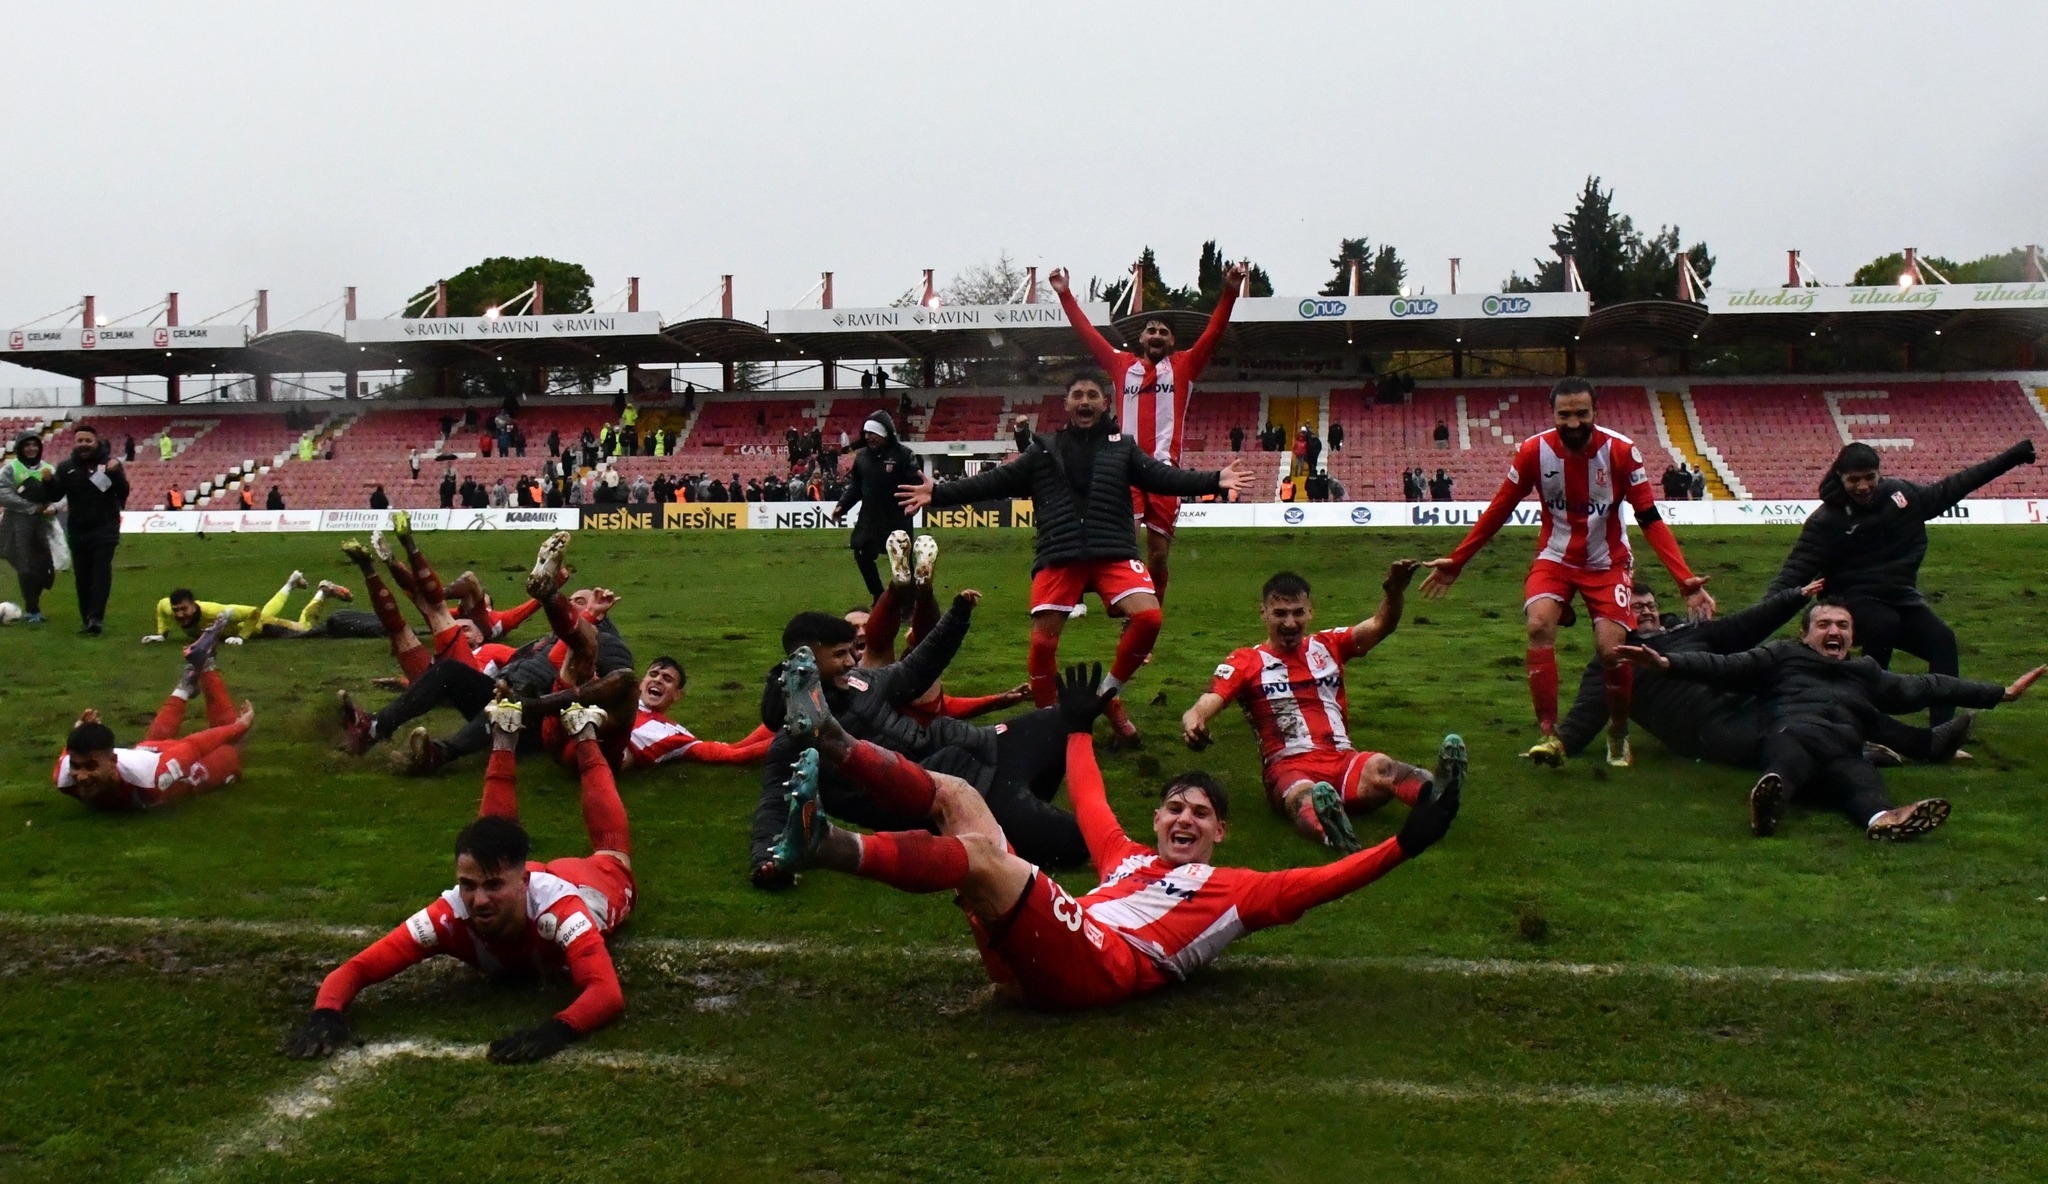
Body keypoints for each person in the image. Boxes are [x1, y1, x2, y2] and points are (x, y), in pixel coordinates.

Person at [765, 661, 1463, 1009]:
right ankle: (830, 736)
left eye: (1198, 814)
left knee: (984, 860)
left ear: (1221, 830)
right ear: (1158, 821)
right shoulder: (1126, 856)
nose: (1184, 819)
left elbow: (1320, 884)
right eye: (1174, 809)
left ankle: (825, 845)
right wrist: (1075, 725)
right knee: (960, 796)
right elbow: (1093, 799)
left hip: (1101, 967)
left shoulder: (1233, 890)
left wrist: (1404, 845)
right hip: (1045, 948)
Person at [898, 374, 1246, 744]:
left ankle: (1105, 697)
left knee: (1148, 616)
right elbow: (993, 482)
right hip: (1059, 553)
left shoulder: (1122, 447)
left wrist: (1213, 480)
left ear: (1104, 404)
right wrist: (939, 493)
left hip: (1113, 551)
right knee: (1043, 645)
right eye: (1077, 394)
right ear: (1065, 405)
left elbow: (1163, 477)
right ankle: (1053, 724)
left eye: (1092, 395)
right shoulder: (1042, 450)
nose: (1085, 401)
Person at [285, 699, 636, 1064]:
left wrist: (559, 1028)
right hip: (519, 879)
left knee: (613, 856)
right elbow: (355, 969)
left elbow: (606, 993)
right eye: (468, 885)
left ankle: (584, 734)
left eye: (492, 887)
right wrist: (325, 1013)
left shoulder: (561, 911)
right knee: (490, 847)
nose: (478, 900)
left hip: (582, 883)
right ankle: (503, 736)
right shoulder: (449, 914)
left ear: (523, 882)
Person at [1420, 377, 1715, 769]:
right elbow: (1499, 508)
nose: (1574, 423)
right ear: (1552, 414)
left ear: (1595, 412)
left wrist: (1684, 579)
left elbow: (1649, 518)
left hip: (1608, 564)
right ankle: (1549, 734)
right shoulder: (1532, 452)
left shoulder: (1623, 453)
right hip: (1554, 558)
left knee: (1612, 652)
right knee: (1538, 626)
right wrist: (1458, 559)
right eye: (1565, 415)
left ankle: (1619, 730)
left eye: (1582, 414)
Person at [1619, 598, 2042, 840]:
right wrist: (1668, 663)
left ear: (1852, 637)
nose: (1833, 630)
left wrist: (1998, 694)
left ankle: (1883, 821)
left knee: (1859, 780)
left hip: (1846, 744)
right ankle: (1768, 806)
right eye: (1823, 624)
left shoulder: (1867, 673)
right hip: (1791, 731)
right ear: (1806, 634)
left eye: (1842, 625)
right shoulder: (1781, 656)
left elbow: (1925, 686)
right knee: (1786, 760)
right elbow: (1722, 667)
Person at [751, 609, 1088, 885]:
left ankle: (1026, 806)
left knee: (1065, 719)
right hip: (965, 798)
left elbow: (915, 670)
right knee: (1078, 842)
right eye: (839, 655)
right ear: (804, 661)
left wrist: (957, 617)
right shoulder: (793, 743)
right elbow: (774, 808)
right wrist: (768, 860)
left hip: (984, 746)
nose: (852, 661)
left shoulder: (860, 682)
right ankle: (1016, 823)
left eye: (851, 652)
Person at [1765, 439, 2035, 726]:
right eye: (1853, 480)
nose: (1863, 486)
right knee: (1883, 624)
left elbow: (1956, 485)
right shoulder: (1826, 521)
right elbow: (1793, 572)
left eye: (1870, 477)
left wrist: (2012, 456)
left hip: (1900, 596)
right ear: (1839, 478)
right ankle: (1865, 718)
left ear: (1879, 473)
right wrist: (1753, 621)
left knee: (1942, 640)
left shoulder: (1903, 496)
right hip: (1850, 600)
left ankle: (1943, 730)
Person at [1182, 565, 1449, 851]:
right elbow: (1207, 702)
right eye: (1280, 614)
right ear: (1263, 613)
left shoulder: (1327, 644)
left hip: (1343, 760)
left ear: (1310, 611)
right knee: (1306, 796)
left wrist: (1393, 591)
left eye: (1298, 612)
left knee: (1381, 766)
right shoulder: (1246, 660)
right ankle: (1331, 832)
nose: (1290, 623)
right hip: (1288, 767)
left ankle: (1440, 794)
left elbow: (1381, 624)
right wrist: (1195, 720)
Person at [1050, 260, 1248, 606]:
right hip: (1124, 469)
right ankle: (1123, 605)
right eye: (1151, 330)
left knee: (1158, 556)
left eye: (1163, 332)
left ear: (1172, 340)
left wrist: (1230, 290)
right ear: (1140, 338)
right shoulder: (1122, 365)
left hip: (1165, 474)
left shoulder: (1185, 366)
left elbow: (1213, 333)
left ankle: (1149, 613)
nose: (1156, 336)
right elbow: (1088, 334)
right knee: (1123, 546)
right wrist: (1065, 294)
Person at [57, 615, 253, 810]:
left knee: (233, 750)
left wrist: (239, 727)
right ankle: (189, 678)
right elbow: (68, 753)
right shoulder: (64, 777)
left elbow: (195, 746)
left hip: (161, 763)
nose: (81, 776)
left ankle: (205, 666)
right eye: (76, 766)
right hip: (146, 754)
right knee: (149, 747)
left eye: (91, 766)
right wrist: (81, 730)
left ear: (112, 761)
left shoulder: (154, 779)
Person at [21, 423, 127, 635]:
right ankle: (86, 617)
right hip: (78, 530)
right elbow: (56, 495)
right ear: (75, 443)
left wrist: (116, 475)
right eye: (80, 441)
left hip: (105, 528)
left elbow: (122, 492)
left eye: (88, 441)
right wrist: (49, 483)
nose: (84, 445)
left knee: (100, 575)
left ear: (96, 442)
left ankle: (96, 619)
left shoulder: (109, 464)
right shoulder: (66, 467)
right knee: (82, 577)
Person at [831, 410, 923, 600]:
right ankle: (878, 596)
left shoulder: (904, 455)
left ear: (885, 433)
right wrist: (843, 505)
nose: (868, 437)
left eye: (873, 433)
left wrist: (914, 503)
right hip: (869, 518)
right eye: (866, 433)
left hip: (896, 518)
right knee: (862, 553)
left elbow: (916, 483)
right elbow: (856, 485)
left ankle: (907, 604)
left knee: (902, 563)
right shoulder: (862, 457)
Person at [623, 657, 776, 770]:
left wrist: (786, 737)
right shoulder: (621, 699)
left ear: (677, 695)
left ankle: (786, 724)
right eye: (653, 674)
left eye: (667, 679)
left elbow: (734, 753)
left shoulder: (675, 735)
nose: (658, 680)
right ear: (641, 683)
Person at [145, 570, 366, 644]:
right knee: (269, 611)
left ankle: (322, 592)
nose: (180, 614)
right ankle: (291, 583)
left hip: (260, 626)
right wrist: (162, 634)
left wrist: (242, 636)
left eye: (184, 609)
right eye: (177, 611)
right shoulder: (168, 606)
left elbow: (254, 612)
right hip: (247, 623)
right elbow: (160, 606)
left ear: (194, 605)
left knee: (304, 628)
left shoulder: (217, 612)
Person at [1, 431, 56, 624]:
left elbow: (59, 494)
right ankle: (32, 609)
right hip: (17, 523)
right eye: (26, 446)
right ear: (20, 449)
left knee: (46, 571)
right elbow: (3, 493)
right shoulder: (11, 469)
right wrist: (31, 507)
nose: (31, 449)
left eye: (34, 445)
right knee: (25, 567)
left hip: (42, 524)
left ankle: (34, 604)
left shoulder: (48, 468)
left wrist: (53, 507)